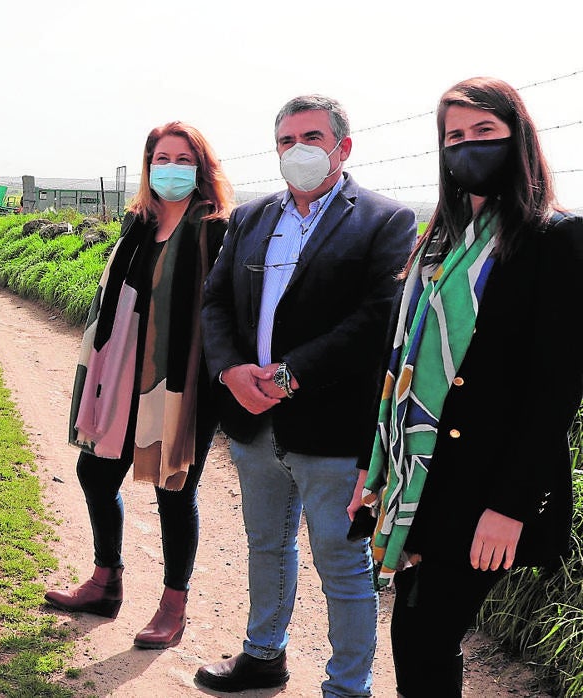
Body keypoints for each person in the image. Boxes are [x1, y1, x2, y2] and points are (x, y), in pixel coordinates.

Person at [352, 77, 583, 698]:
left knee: (426, 634)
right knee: (416, 634)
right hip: (421, 473)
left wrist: (508, 508)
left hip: (486, 483)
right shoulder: (443, 240)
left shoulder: (554, 238)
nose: (467, 146)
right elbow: (401, 363)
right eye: (455, 136)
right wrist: (375, 469)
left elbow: (555, 390)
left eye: (484, 132)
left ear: (519, 139)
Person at [198, 95, 417, 696]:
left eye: (311, 138)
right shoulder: (250, 217)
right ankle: (263, 655)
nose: (298, 151)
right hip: (253, 419)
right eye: (286, 141)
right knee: (266, 545)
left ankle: (348, 687)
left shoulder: (386, 220)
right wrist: (230, 373)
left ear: (343, 147)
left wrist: (292, 374)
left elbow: (377, 318)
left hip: (333, 426)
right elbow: (216, 303)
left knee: (342, 564)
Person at [45, 121, 232, 650]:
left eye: (182, 158)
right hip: (123, 373)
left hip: (181, 382)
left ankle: (174, 606)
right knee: (94, 472)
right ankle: (107, 581)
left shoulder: (216, 228)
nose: (170, 168)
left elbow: (223, 311)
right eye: (161, 158)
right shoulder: (138, 222)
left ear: (202, 167)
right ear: (148, 165)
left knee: (175, 487)